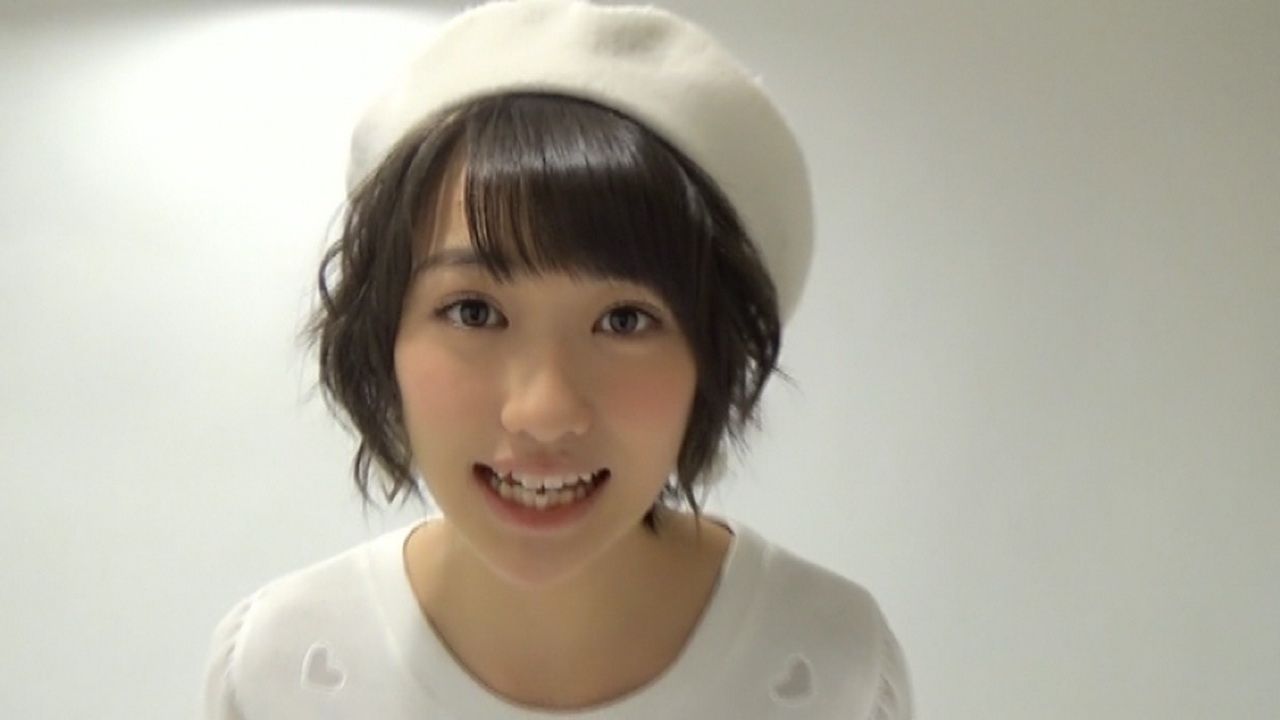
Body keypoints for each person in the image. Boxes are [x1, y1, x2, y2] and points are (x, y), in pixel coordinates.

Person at [200, 1, 913, 718]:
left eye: (624, 320)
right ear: (383, 335)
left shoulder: (833, 666)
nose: (543, 411)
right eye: (474, 312)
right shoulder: (279, 668)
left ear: (711, 356)